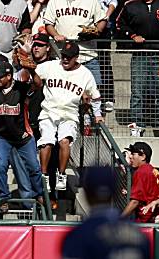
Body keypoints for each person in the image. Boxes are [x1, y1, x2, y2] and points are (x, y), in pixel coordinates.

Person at [0, 59, 44, 207]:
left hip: (22, 136)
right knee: (0, 166)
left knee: (35, 168)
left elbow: (38, 85)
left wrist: (31, 70)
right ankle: (3, 198)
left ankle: (39, 194)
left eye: (0, 77)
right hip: (2, 137)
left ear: (9, 76)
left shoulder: (20, 88)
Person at [33, 42, 103, 191]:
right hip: (49, 111)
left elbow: (95, 96)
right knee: (47, 142)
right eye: (64, 56)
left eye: (69, 57)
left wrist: (97, 114)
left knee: (64, 141)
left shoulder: (85, 74)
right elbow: (34, 74)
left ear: (76, 58)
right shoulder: (51, 66)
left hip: (69, 113)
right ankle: (44, 175)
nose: (65, 59)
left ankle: (61, 174)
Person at [116, 0, 159, 138]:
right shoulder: (131, 5)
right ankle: (137, 124)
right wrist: (133, 35)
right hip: (140, 54)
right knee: (137, 90)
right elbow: (120, 23)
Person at [43, 0, 107, 84]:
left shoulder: (92, 1)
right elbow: (48, 23)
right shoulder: (54, 1)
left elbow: (102, 19)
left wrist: (97, 30)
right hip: (62, 56)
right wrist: (56, 35)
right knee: (63, 92)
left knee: (93, 92)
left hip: (87, 55)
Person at [120, 141, 159, 222]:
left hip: (148, 219)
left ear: (143, 156)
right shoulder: (153, 170)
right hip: (158, 216)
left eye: (133, 154)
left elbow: (135, 201)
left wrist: (120, 219)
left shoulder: (141, 171)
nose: (130, 156)